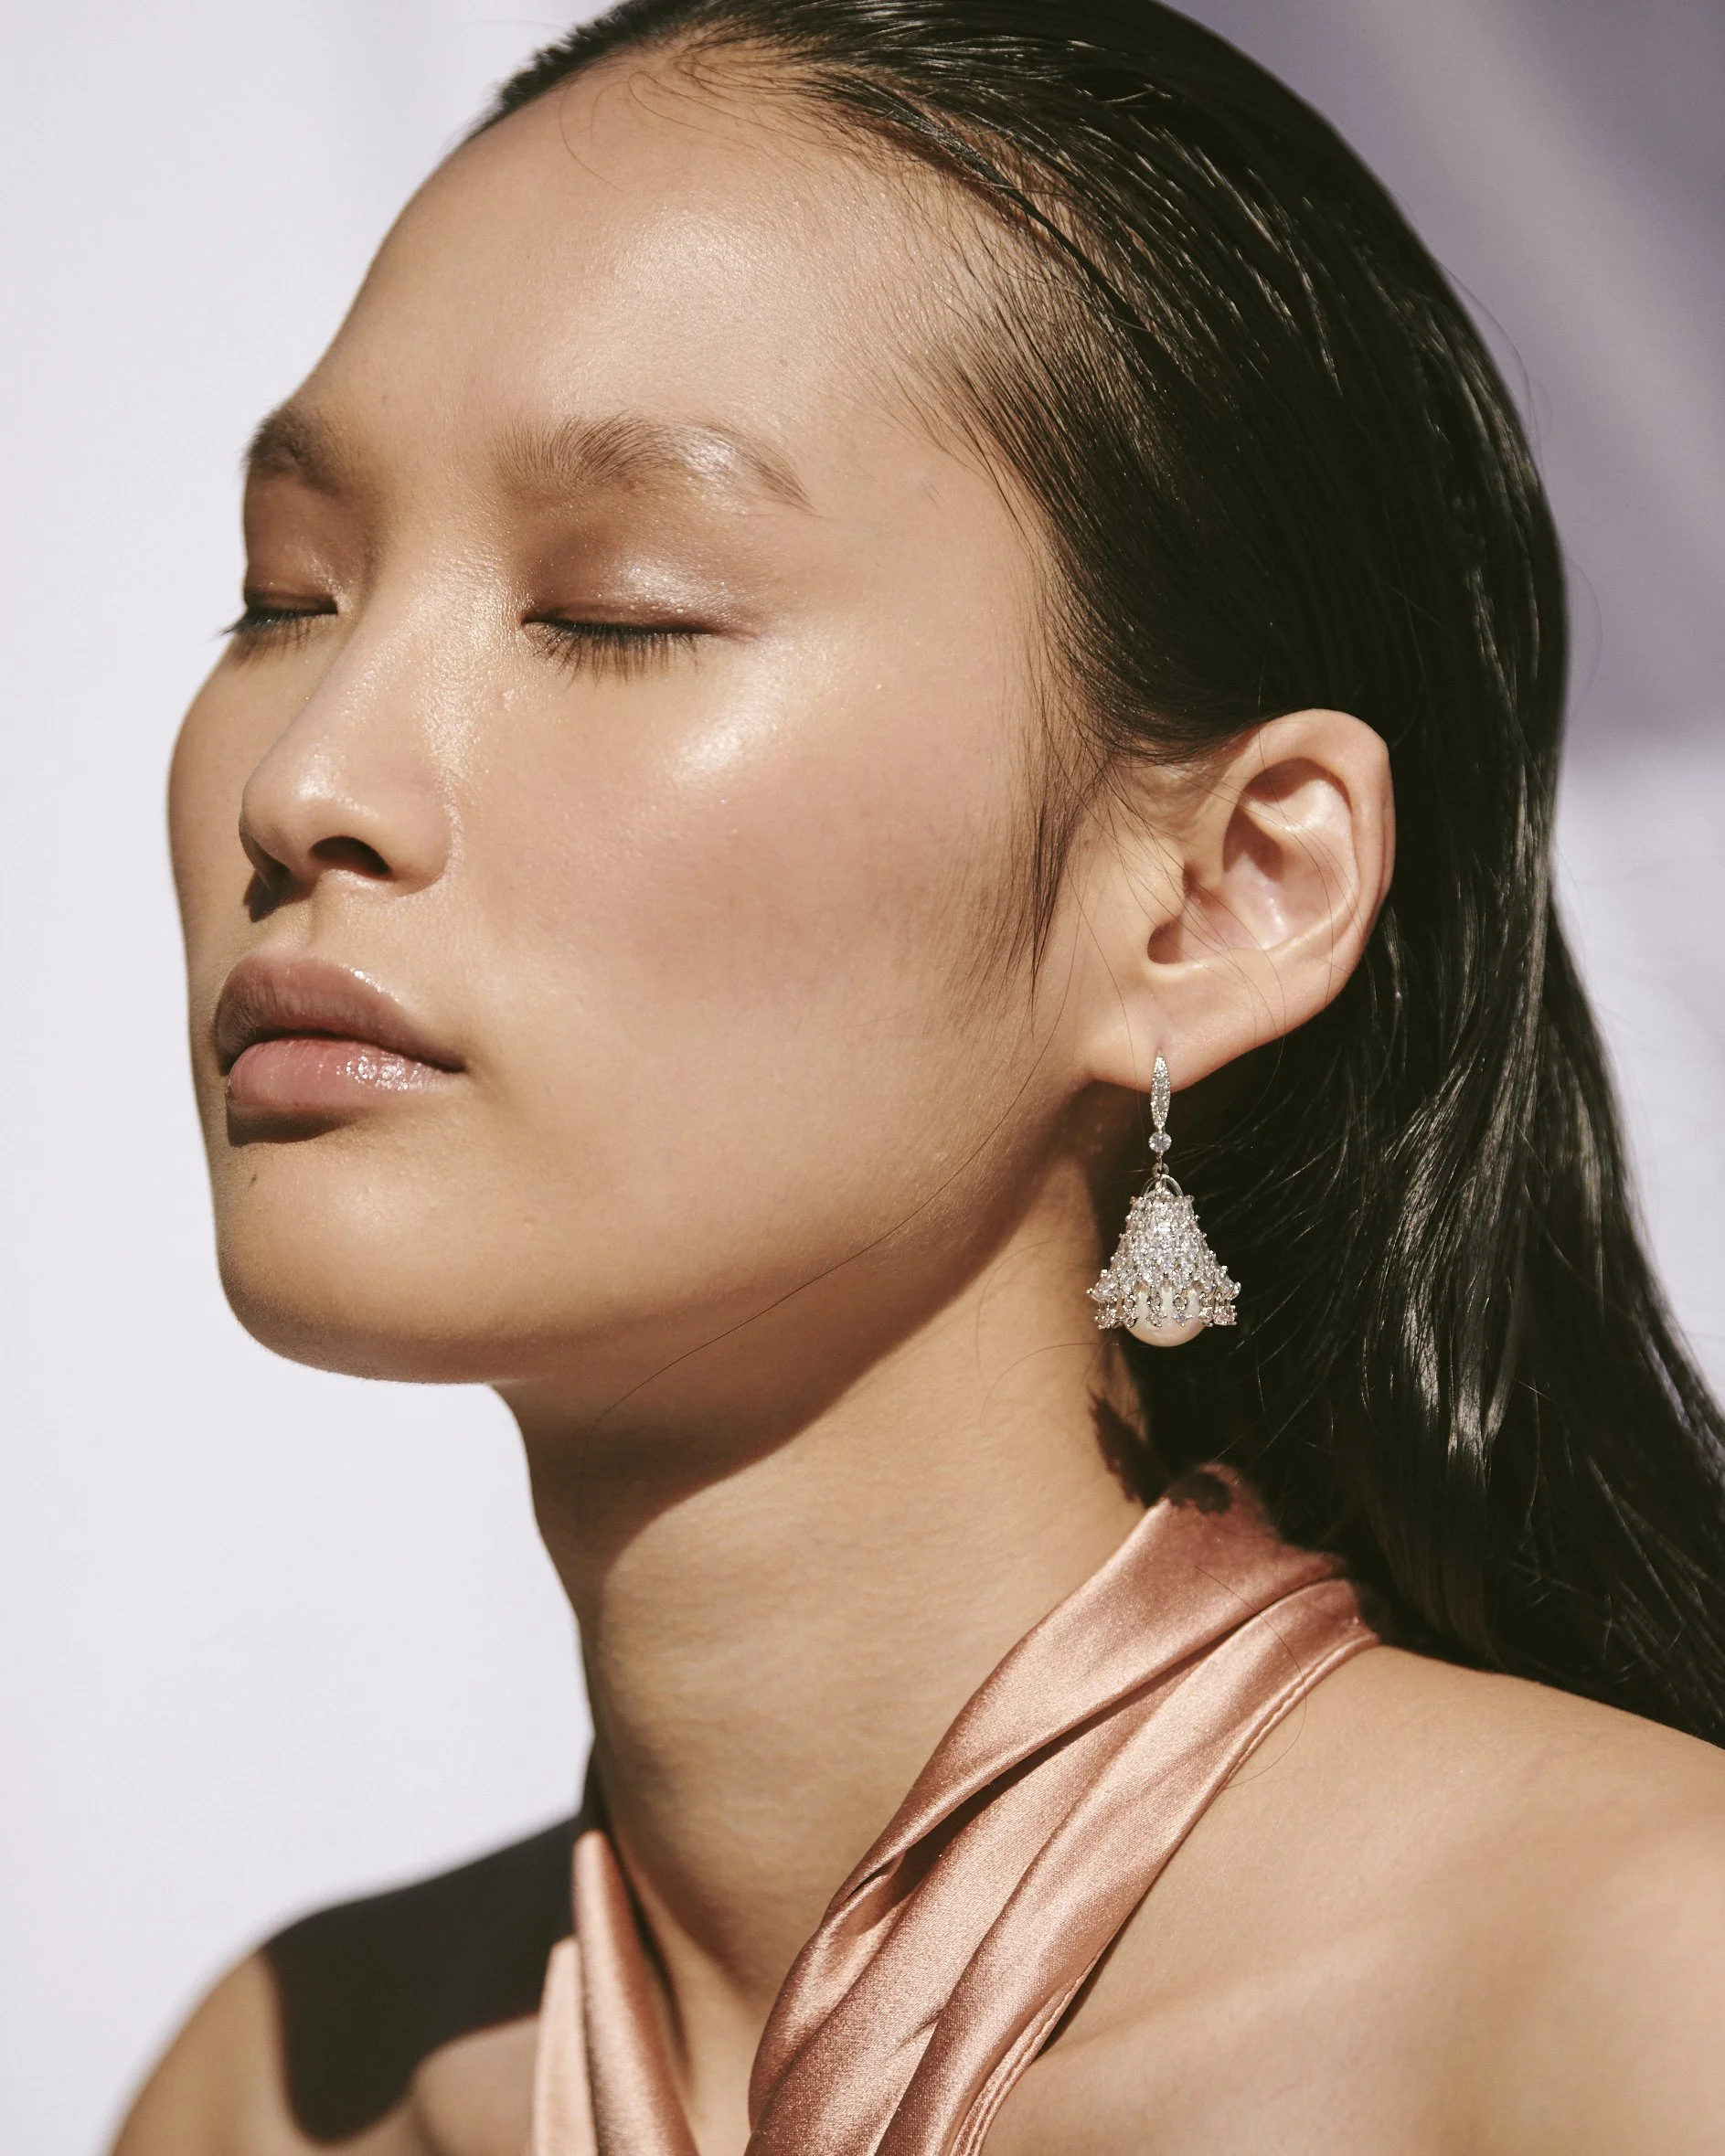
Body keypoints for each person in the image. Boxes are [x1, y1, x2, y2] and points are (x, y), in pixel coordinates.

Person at [114, 3, 1725, 2151]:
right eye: (283, 594)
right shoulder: (285, 2092)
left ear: (1221, 897)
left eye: (619, 608)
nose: (309, 782)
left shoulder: (1627, 1996)